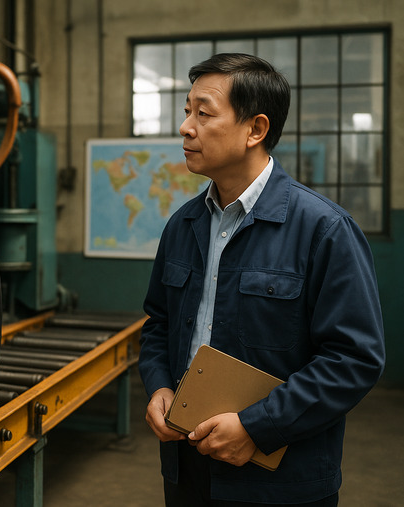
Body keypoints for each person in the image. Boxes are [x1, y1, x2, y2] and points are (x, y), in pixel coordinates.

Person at [138, 53, 385, 506]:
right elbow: (158, 325)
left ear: (255, 129)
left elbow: (354, 358)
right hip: (187, 468)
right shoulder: (182, 226)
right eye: (186, 111)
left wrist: (258, 426)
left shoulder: (323, 229)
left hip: (280, 481)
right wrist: (158, 387)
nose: (186, 127)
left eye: (204, 113)